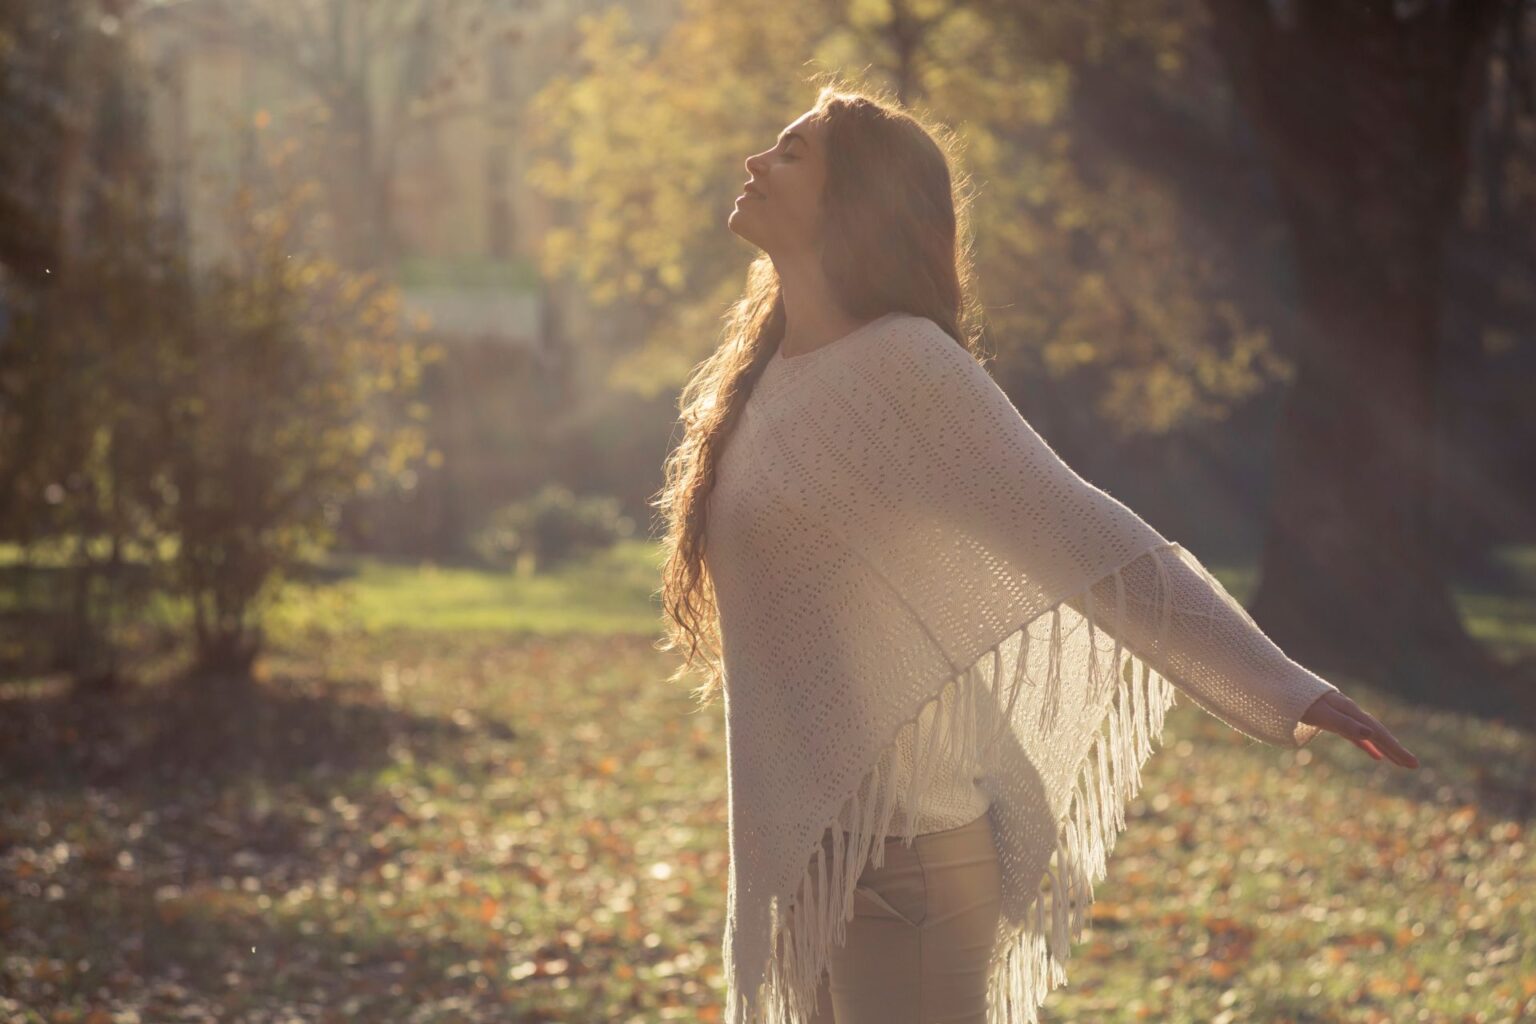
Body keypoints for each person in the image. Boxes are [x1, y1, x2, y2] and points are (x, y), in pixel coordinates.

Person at [654, 81, 1418, 1024]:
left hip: (907, 870)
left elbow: (1087, 536)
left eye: (792, 150)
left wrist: (1282, 686)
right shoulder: (763, 380)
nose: (755, 162)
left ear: (857, 200)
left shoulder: (906, 366)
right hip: (807, 863)